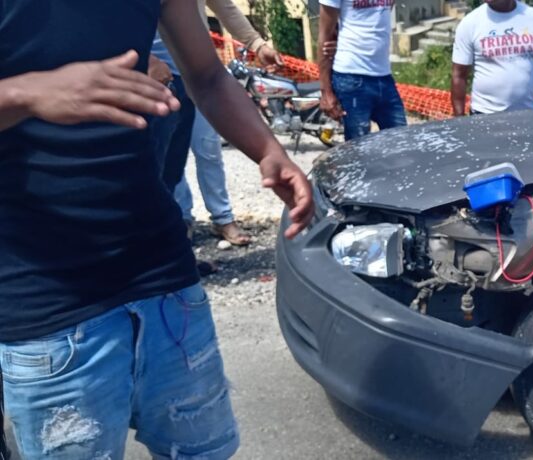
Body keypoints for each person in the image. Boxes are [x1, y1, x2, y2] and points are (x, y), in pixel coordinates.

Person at [0, 0, 313, 458]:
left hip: (163, 274)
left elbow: (205, 74)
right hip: (44, 292)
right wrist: (27, 94)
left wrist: (268, 151)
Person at [151, 0, 285, 245]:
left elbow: (224, 6)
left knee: (208, 150)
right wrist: (146, 61)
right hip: (155, 81)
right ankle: (179, 223)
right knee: (167, 162)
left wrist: (255, 43)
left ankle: (222, 218)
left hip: (199, 77)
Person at [318, 0, 408, 140]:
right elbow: (324, 35)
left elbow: (379, 17)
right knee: (358, 149)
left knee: (401, 142)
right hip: (351, 78)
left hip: (384, 76)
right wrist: (326, 92)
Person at [449, 0, 533, 116]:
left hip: (527, 115)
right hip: (484, 116)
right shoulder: (470, 23)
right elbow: (459, 76)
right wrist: (459, 121)